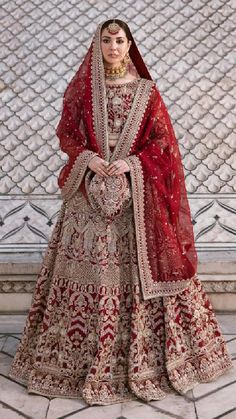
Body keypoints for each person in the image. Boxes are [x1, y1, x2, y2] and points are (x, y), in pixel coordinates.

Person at [9, 19, 233, 406]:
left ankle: (153, 359)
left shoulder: (147, 92)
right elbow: (68, 133)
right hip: (87, 193)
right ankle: (69, 361)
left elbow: (162, 142)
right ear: (98, 45)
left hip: (137, 197)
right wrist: (89, 159)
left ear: (130, 45)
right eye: (107, 40)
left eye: (119, 40)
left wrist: (133, 164)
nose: (113, 46)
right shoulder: (83, 89)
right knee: (89, 269)